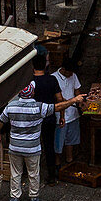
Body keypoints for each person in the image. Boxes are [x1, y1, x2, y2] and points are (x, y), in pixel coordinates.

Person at [0, 81, 84, 201]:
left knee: (16, 173)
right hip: (32, 148)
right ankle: (33, 198)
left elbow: (0, 121)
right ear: (32, 93)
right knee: (33, 173)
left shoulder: (10, 107)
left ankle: (14, 198)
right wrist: (73, 100)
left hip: (15, 147)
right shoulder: (39, 107)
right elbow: (58, 107)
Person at [32, 47, 65, 185]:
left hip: (33, 118)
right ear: (45, 65)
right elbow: (60, 99)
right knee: (49, 145)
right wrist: (62, 116)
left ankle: (31, 173)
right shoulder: (52, 80)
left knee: (33, 145)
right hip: (49, 117)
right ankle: (51, 176)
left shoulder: (29, 82)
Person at [53, 56, 84, 166]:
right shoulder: (53, 78)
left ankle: (69, 159)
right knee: (58, 140)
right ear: (64, 69)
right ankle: (57, 163)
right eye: (69, 72)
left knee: (71, 139)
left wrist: (80, 103)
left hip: (73, 114)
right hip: (59, 115)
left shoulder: (73, 75)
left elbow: (76, 90)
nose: (71, 75)